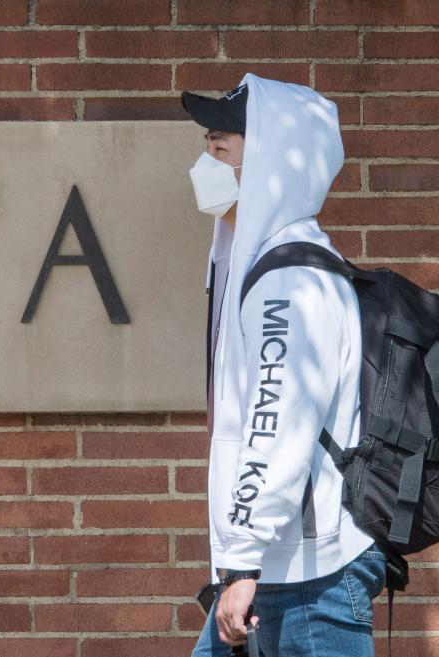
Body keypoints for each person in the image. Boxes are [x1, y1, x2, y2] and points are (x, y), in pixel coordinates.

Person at [183, 74, 386, 656]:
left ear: (273, 164)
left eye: (221, 148)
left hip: (306, 582)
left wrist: (242, 560)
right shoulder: (274, 265)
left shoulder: (289, 282)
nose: (206, 162)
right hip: (275, 570)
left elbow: (278, 419)